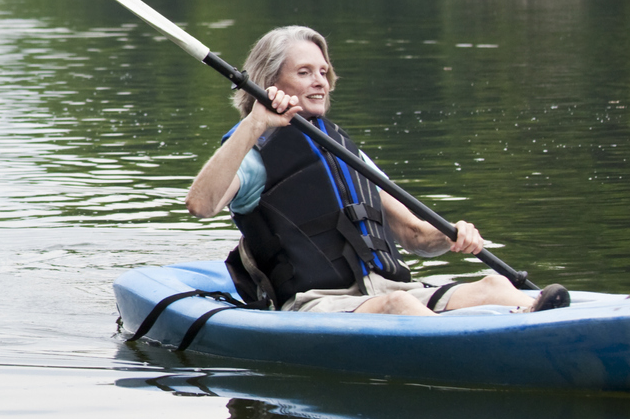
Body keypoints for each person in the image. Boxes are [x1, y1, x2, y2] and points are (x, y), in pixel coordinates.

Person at [184, 24, 566, 315]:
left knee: (493, 286)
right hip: (317, 302)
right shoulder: (253, 152)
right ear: (270, 83)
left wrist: (453, 235)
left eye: (323, 72)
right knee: (399, 306)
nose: (320, 82)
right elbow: (200, 205)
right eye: (304, 72)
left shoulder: (344, 152)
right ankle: (482, 349)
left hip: (387, 289)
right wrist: (255, 122)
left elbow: (414, 235)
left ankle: (542, 322)